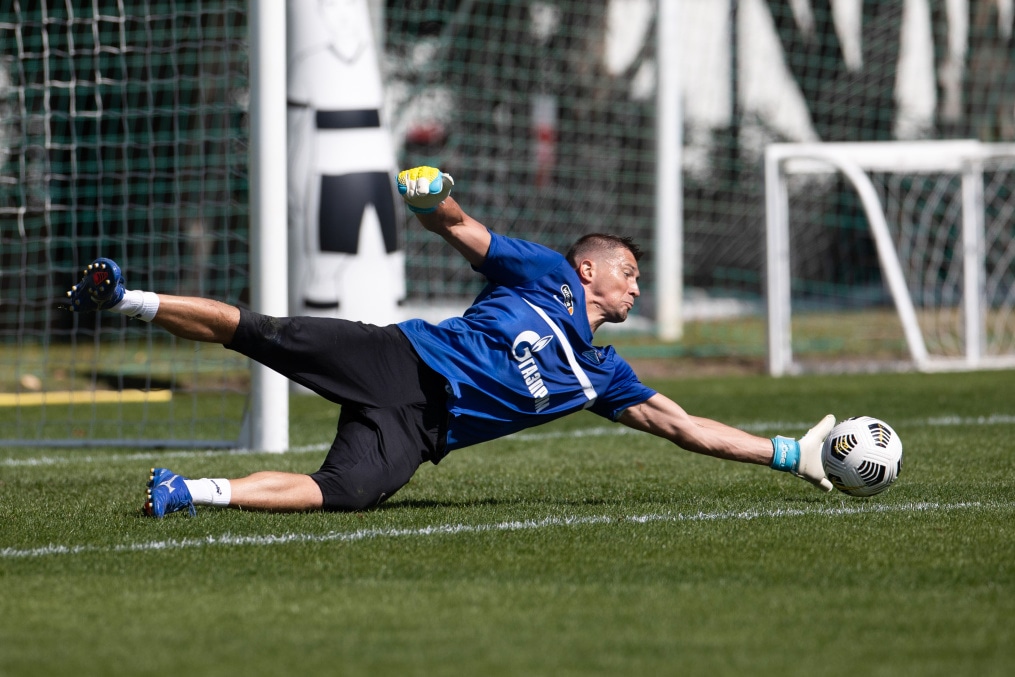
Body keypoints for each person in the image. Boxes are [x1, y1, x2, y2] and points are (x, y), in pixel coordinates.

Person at [64, 166, 835, 518]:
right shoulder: (546, 275)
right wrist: (429, 193)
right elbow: (461, 228)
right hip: (396, 355)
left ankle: (186, 492)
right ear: (588, 267)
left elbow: (684, 426)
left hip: (418, 429)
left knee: (350, 493)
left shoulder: (603, 374)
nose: (636, 287)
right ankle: (125, 296)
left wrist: (787, 453)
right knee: (264, 333)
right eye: (627, 273)